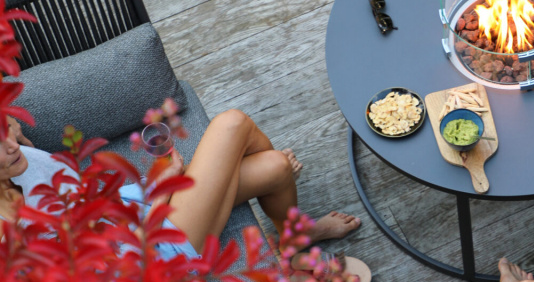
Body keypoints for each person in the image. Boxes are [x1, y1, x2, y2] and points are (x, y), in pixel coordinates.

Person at [0, 110, 361, 257]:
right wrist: (163, 193)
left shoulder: (17, 152)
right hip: (151, 258)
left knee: (277, 168)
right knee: (232, 124)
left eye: (6, 133)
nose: (11, 146)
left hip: (132, 210)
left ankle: (293, 238)